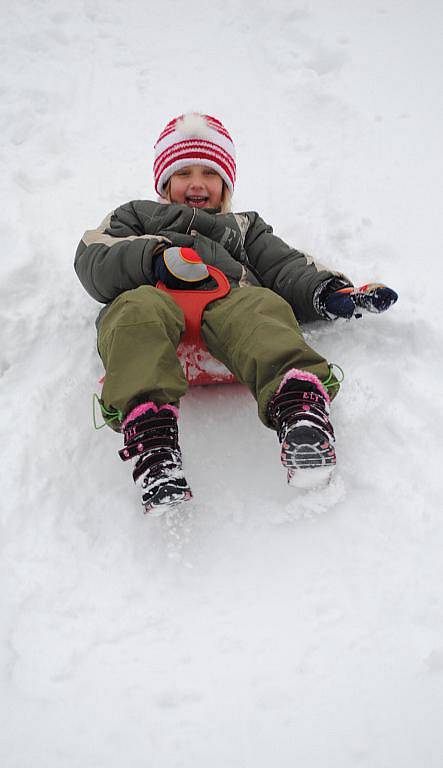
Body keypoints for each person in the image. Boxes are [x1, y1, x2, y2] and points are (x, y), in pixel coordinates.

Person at [75, 113, 398, 515]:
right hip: (154, 302)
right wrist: (153, 256)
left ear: (225, 184)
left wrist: (330, 294)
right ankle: (153, 445)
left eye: (210, 172)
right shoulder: (136, 216)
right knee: (131, 313)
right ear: (164, 183)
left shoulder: (244, 229)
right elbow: (95, 258)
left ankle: (300, 413)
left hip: (227, 308)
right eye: (184, 173)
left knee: (261, 307)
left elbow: (286, 268)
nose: (196, 183)